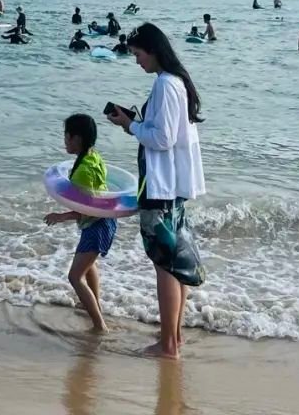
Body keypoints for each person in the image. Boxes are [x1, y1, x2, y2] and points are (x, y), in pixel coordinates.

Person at [107, 23, 206, 359]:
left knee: (163, 266)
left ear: (152, 50)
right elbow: (171, 134)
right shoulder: (178, 82)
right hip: (174, 187)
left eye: (137, 54)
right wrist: (136, 124)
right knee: (175, 264)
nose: (136, 61)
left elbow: (161, 140)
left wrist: (129, 125)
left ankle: (167, 346)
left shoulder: (165, 84)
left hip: (160, 187)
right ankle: (173, 341)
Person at [44, 114, 116, 333]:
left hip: (96, 225)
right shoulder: (93, 156)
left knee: (74, 277)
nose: (64, 141)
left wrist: (60, 216)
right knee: (89, 265)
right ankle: (94, 307)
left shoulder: (82, 173)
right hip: (103, 222)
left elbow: (84, 208)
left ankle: (99, 325)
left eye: (66, 137)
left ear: (77, 139)